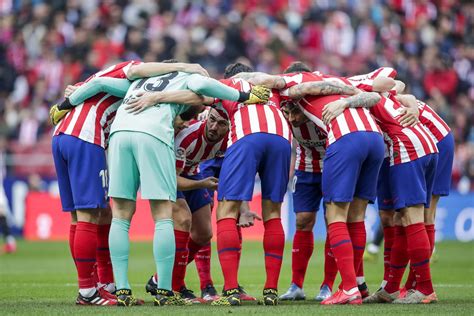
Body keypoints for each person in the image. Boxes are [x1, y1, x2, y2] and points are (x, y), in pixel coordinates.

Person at [66, 61, 270, 306]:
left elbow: (99, 83)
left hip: (120, 133)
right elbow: (204, 84)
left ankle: (121, 290)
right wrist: (244, 95)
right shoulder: (186, 76)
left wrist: (66, 102)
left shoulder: (138, 81)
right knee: (164, 214)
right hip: (153, 133)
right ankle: (164, 290)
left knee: (120, 215)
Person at [51, 60, 209, 306]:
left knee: (96, 214)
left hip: (63, 134)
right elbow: (131, 72)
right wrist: (186, 67)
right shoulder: (136, 76)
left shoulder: (112, 82)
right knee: (89, 215)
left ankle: (105, 285)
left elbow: (93, 85)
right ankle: (88, 291)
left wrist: (66, 103)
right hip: (86, 134)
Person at [211, 62, 361, 306]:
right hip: (281, 140)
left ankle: (230, 291)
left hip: (247, 136)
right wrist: (352, 93)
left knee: (226, 210)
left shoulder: (228, 85)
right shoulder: (277, 88)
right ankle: (271, 290)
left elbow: (196, 94)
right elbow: (316, 86)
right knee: (272, 214)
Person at [347, 68, 440, 304]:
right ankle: (390, 288)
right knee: (401, 219)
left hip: (407, 147)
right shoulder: (379, 86)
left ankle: (425, 289)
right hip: (424, 143)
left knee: (412, 218)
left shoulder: (358, 89)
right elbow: (396, 84)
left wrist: (341, 104)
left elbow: (382, 90)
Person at [145, 108, 229, 303]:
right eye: (212, 120)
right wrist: (202, 184)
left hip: (192, 173)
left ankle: (158, 279)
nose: (214, 127)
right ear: (207, 117)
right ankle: (176, 286)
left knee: (204, 233)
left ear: (229, 127)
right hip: (168, 174)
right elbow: (172, 180)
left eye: (221, 124)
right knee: (183, 219)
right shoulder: (187, 138)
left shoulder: (228, 141)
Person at [278, 100, 327, 302]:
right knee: (303, 221)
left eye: (296, 112)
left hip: (333, 166)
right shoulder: (284, 112)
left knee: (335, 222)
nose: (292, 118)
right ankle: (296, 286)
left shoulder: (324, 111)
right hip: (305, 168)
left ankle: (328, 286)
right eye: (288, 112)